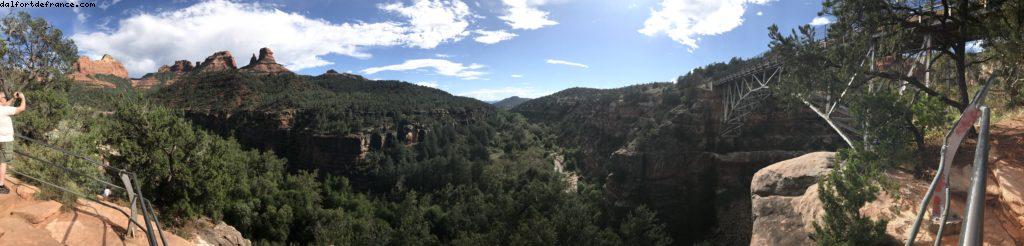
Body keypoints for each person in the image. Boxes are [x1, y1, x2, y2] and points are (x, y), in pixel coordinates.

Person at [0, 92, 26, 194]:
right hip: (5, 141)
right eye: (4, 97)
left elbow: (4, 105)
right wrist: (22, 98)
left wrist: (13, 99)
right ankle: (0, 185)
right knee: (3, 163)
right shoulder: (5, 110)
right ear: (1, 99)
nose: (6, 98)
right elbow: (21, 108)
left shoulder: (3, 108)